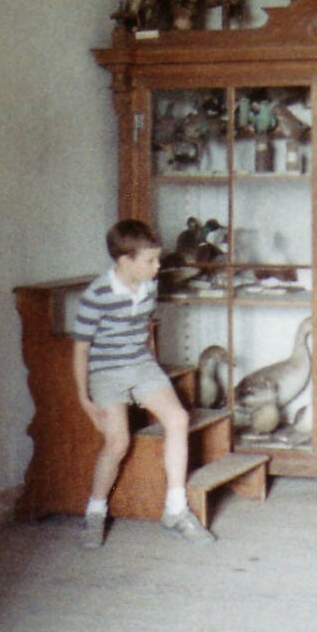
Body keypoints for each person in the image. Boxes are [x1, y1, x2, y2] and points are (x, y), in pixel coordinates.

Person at [73, 218, 214, 547]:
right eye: (150, 261)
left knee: (178, 419)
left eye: (157, 258)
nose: (158, 266)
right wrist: (85, 399)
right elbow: (80, 349)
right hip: (106, 372)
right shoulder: (98, 294)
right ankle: (95, 512)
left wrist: (152, 368)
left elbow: (146, 327)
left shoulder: (149, 285)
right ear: (125, 261)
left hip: (140, 366)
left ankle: (176, 510)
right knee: (117, 442)